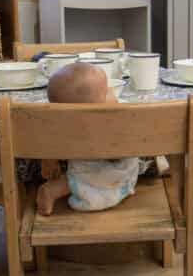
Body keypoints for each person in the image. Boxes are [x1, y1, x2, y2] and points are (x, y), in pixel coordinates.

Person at [36, 63, 139, 215]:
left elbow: (48, 140)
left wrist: (49, 159)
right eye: (106, 91)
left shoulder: (63, 123)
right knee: (80, 180)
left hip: (101, 167)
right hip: (90, 169)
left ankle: (56, 188)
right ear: (90, 106)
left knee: (78, 179)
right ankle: (52, 190)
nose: (112, 92)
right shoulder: (116, 118)